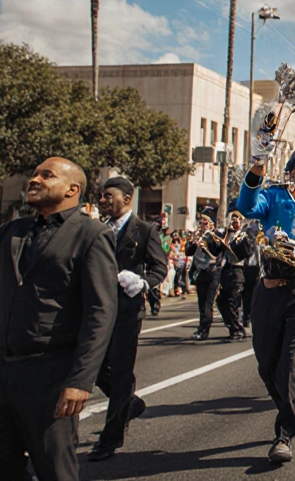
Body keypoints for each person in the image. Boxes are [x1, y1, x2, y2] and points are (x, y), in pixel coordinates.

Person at [0, 142, 117, 480]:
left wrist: (80, 380)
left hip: (50, 372)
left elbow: (100, 312)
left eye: (46, 175)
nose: (34, 179)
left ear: (71, 189)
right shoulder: (15, 230)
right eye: (34, 173)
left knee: (54, 467)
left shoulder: (91, 234)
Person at [235, 143, 295, 464]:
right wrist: (258, 165)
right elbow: (246, 205)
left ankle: (284, 432)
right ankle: (285, 407)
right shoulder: (275, 197)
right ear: (291, 171)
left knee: (292, 361)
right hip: (269, 289)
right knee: (267, 364)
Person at [89, 176, 169, 462]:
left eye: (108, 195)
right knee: (92, 369)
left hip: (126, 311)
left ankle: (110, 439)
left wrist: (143, 282)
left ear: (126, 198)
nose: (102, 200)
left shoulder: (145, 230)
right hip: (96, 311)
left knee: (122, 374)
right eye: (100, 196)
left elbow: (160, 267)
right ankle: (130, 404)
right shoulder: (96, 229)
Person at [185, 210, 225, 341]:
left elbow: (218, 250)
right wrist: (192, 241)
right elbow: (188, 252)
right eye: (201, 223)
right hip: (200, 272)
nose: (202, 225)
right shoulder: (197, 237)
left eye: (205, 223)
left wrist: (207, 240)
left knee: (208, 302)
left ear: (211, 225)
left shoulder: (215, 237)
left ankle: (205, 329)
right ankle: (202, 327)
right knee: (201, 302)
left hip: (212, 272)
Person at [217, 211, 253, 341]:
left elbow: (248, 251)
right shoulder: (227, 235)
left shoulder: (244, 236)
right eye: (232, 218)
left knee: (232, 302)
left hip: (237, 271)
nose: (234, 221)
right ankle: (234, 327)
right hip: (226, 271)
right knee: (221, 302)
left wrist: (232, 244)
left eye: (237, 218)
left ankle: (237, 329)